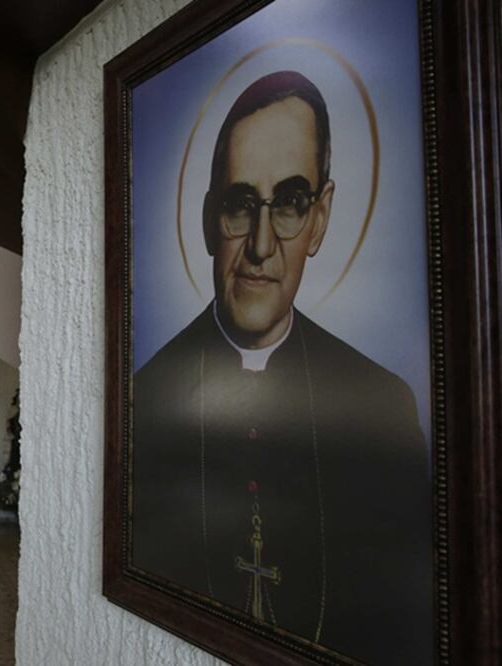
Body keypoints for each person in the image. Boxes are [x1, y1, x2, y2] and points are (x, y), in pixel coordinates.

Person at [131, 71, 431, 664]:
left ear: (319, 219)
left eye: (291, 203)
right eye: (241, 206)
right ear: (208, 220)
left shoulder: (383, 405)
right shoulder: (141, 399)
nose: (262, 245)